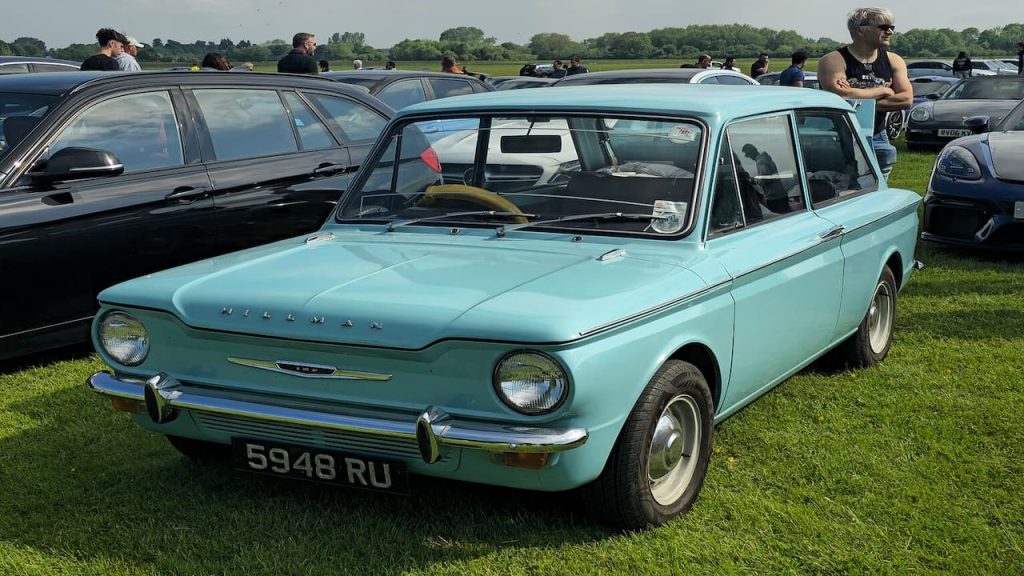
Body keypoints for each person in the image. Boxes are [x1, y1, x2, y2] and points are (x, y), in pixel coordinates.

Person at [818, 7, 911, 179]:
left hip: (878, 135)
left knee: (878, 192)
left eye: (892, 27)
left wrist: (858, 98)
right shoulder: (833, 60)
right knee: (841, 188)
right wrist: (884, 90)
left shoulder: (894, 60)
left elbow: (906, 98)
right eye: (883, 27)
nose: (889, 31)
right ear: (861, 30)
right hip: (838, 136)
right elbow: (841, 95)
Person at [741, 144, 787, 213]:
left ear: (751, 152)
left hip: (774, 197)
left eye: (748, 154)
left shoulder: (760, 162)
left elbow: (764, 179)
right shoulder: (766, 159)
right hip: (780, 194)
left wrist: (754, 180)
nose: (748, 157)